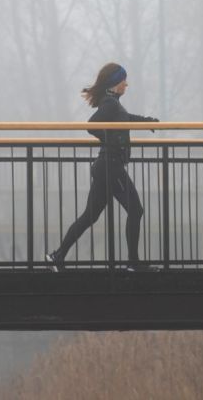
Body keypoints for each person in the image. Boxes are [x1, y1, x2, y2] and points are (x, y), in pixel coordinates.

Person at [45, 62, 159, 272]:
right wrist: (111, 139)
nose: (127, 83)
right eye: (124, 80)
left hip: (105, 166)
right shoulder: (110, 104)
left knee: (90, 216)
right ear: (116, 82)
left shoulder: (113, 103)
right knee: (136, 210)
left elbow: (125, 120)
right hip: (110, 167)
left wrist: (146, 122)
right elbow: (92, 125)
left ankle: (57, 256)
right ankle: (133, 263)